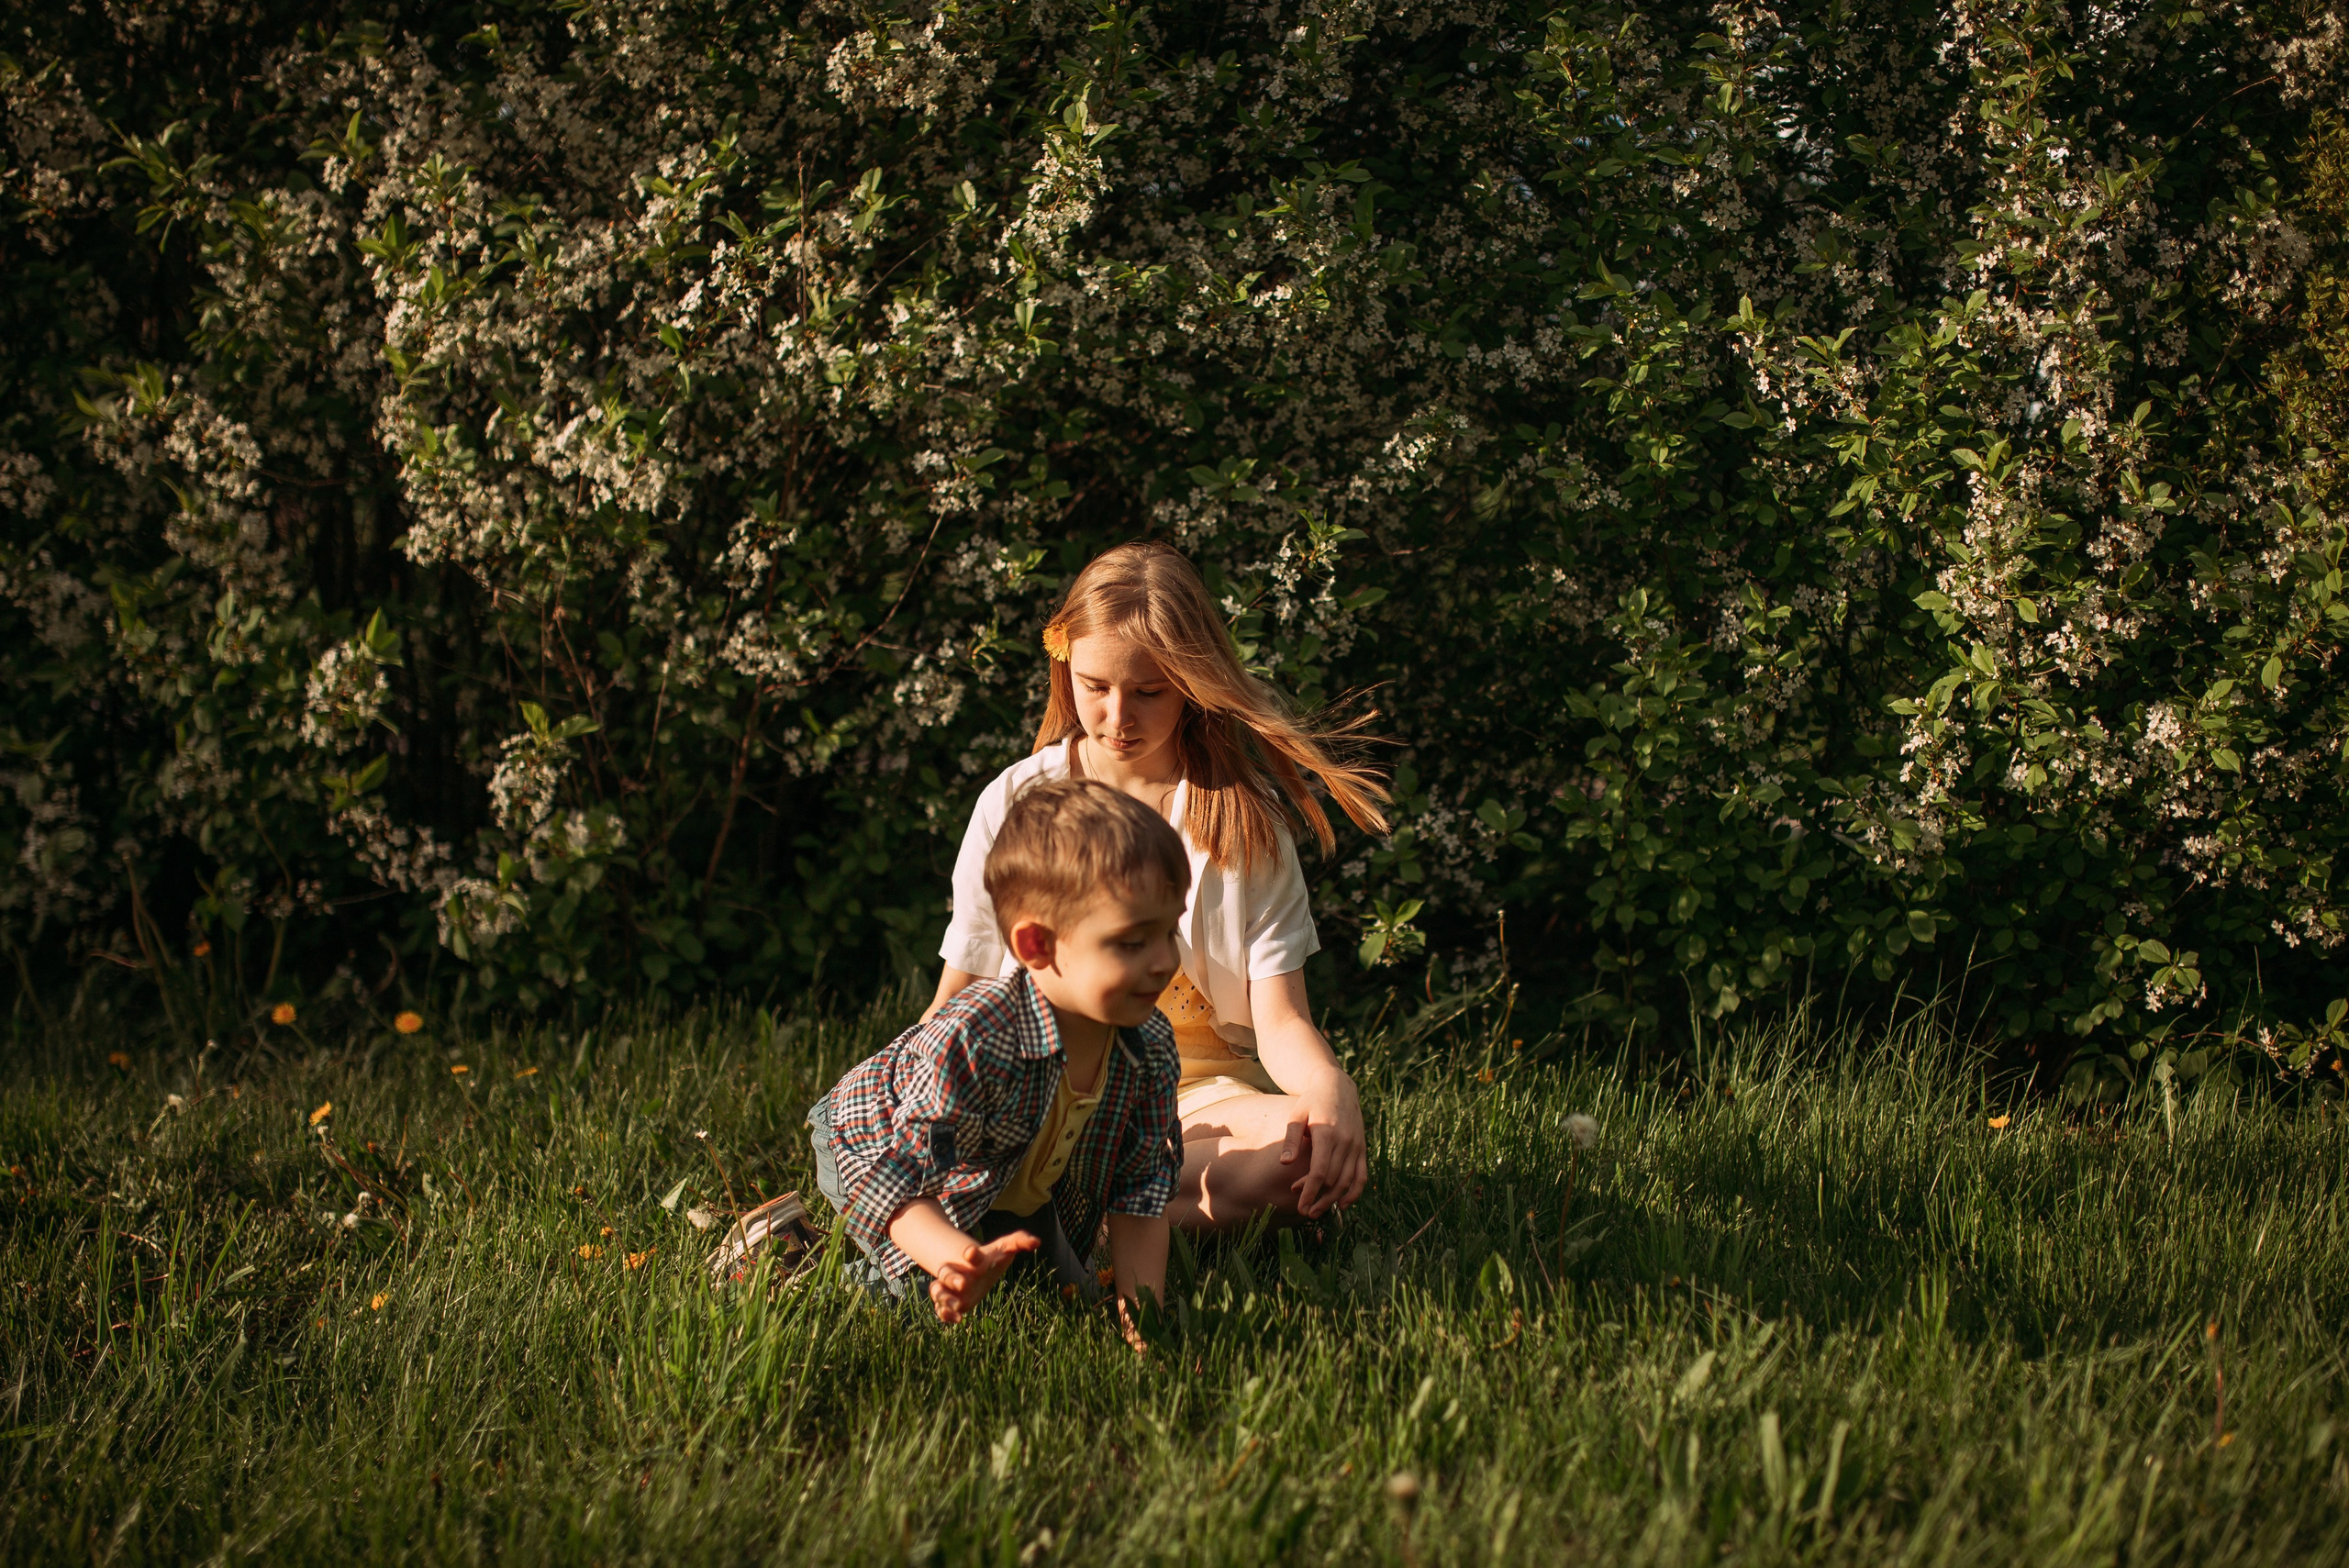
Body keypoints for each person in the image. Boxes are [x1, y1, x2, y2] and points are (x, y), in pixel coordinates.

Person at [927, 540, 1388, 1231]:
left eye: (1148, 692)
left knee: (1301, 1152)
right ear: (1065, 670)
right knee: (939, 1153)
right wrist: (922, 1102)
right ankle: (1088, 1210)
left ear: (1193, 686)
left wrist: (1331, 1091)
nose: (1119, 718)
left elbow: (1282, 1019)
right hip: (1033, 1093)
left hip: (1190, 1103)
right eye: (1096, 688)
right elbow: (957, 993)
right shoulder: (1017, 801)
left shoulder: (1242, 817)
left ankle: (1085, 1213)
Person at [807, 777, 1186, 1329]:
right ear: (1037, 945)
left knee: (1069, 1300)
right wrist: (954, 1262)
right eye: (1131, 942)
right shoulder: (977, 1037)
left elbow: (1140, 1194)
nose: (1162, 962)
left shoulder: (1149, 1046)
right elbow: (901, 1177)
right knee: (921, 1306)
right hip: (878, 1146)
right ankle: (787, 1262)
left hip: (1000, 1177)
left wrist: (1143, 1322)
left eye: (1169, 933)